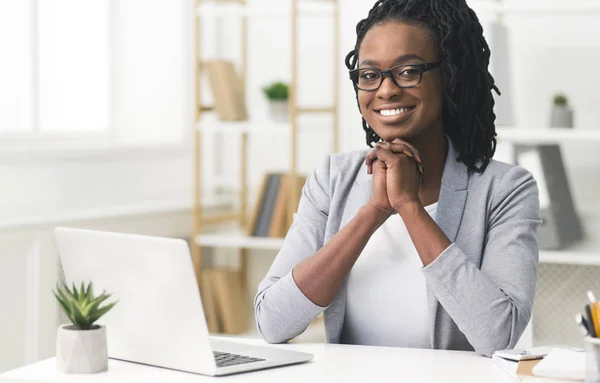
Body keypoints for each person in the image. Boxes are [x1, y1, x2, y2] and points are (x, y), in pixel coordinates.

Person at [254, 0, 540, 357]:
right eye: (370, 75)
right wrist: (373, 211)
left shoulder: (505, 190)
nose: (386, 90)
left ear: (449, 76)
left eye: (408, 71)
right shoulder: (333, 179)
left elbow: (498, 335)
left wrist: (409, 206)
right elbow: (272, 321)